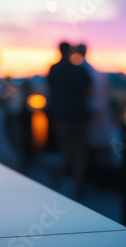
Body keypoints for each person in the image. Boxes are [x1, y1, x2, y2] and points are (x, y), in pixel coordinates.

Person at [47, 42, 93, 196]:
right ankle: (77, 185)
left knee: (65, 150)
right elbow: (90, 92)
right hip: (80, 115)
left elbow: (51, 92)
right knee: (80, 151)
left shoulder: (54, 69)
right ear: (70, 50)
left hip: (61, 115)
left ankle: (58, 181)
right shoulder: (80, 70)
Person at [77, 44, 114, 168]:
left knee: (89, 142)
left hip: (90, 111)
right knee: (98, 141)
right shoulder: (94, 71)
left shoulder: (83, 70)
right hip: (99, 109)